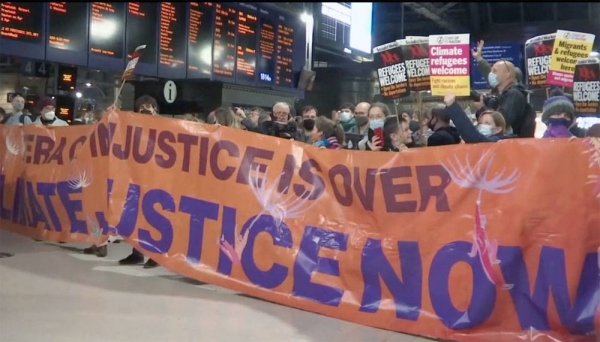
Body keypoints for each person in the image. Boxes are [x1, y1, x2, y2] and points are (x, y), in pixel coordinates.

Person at [118, 95, 160, 268]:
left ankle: (155, 255)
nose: (145, 109)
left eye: (149, 106)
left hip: (156, 179)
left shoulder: (165, 127)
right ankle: (137, 253)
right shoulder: (132, 127)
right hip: (136, 178)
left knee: (154, 219)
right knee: (135, 217)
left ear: (155, 109)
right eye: (141, 107)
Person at [472, 52, 534, 138]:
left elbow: (501, 122)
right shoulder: (500, 93)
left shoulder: (514, 95)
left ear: (507, 74)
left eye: (494, 71)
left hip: (513, 144)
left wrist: (481, 109)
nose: (491, 74)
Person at [444, 94, 512, 143]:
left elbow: (473, 137)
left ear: (498, 129)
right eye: (480, 123)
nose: (482, 125)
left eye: (487, 123)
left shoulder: (497, 141)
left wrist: (452, 106)